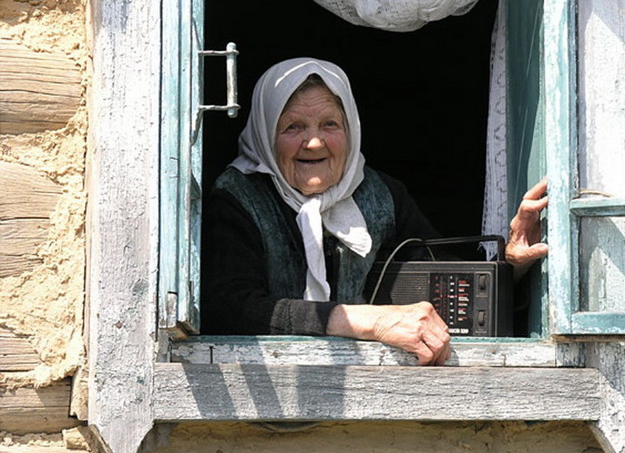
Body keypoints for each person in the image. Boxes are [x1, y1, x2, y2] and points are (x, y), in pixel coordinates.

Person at [202, 58, 548, 365]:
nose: (314, 142)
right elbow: (230, 309)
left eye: (329, 125)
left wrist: (511, 265)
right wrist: (370, 322)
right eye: (293, 127)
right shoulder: (238, 197)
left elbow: (453, 290)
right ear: (265, 134)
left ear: (351, 128)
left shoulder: (380, 195)